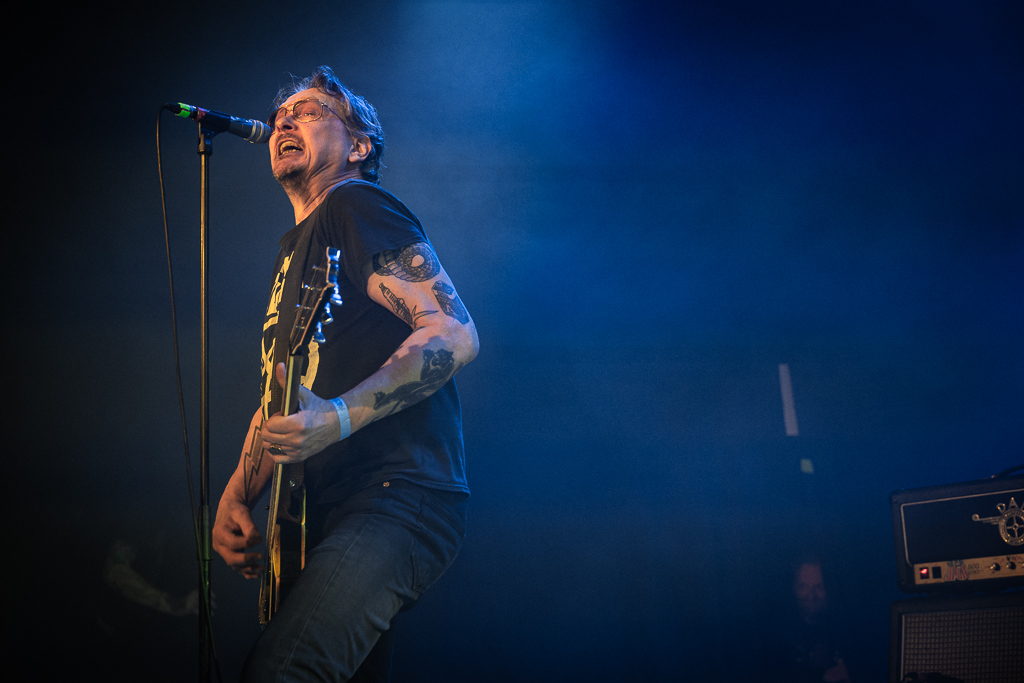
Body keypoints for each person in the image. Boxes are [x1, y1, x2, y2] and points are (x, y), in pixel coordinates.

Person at [212, 65, 479, 682]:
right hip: (320, 512)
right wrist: (236, 495)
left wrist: (336, 417)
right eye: (281, 115)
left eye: (309, 112)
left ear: (358, 146)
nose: (285, 121)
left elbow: (453, 332)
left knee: (283, 671)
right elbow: (282, 398)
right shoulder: (295, 247)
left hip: (396, 492)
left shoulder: (356, 205)